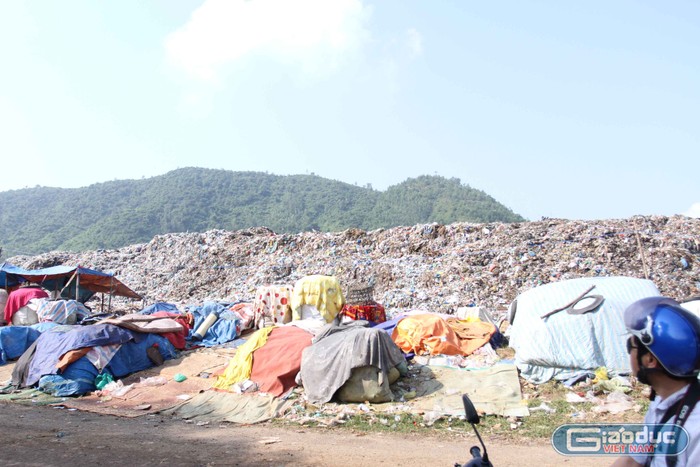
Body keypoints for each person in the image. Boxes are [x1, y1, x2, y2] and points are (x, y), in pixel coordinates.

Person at [613, 297, 700, 467]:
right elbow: (632, 461)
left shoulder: (695, 426)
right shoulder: (662, 402)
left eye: (632, 347)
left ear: (650, 360)